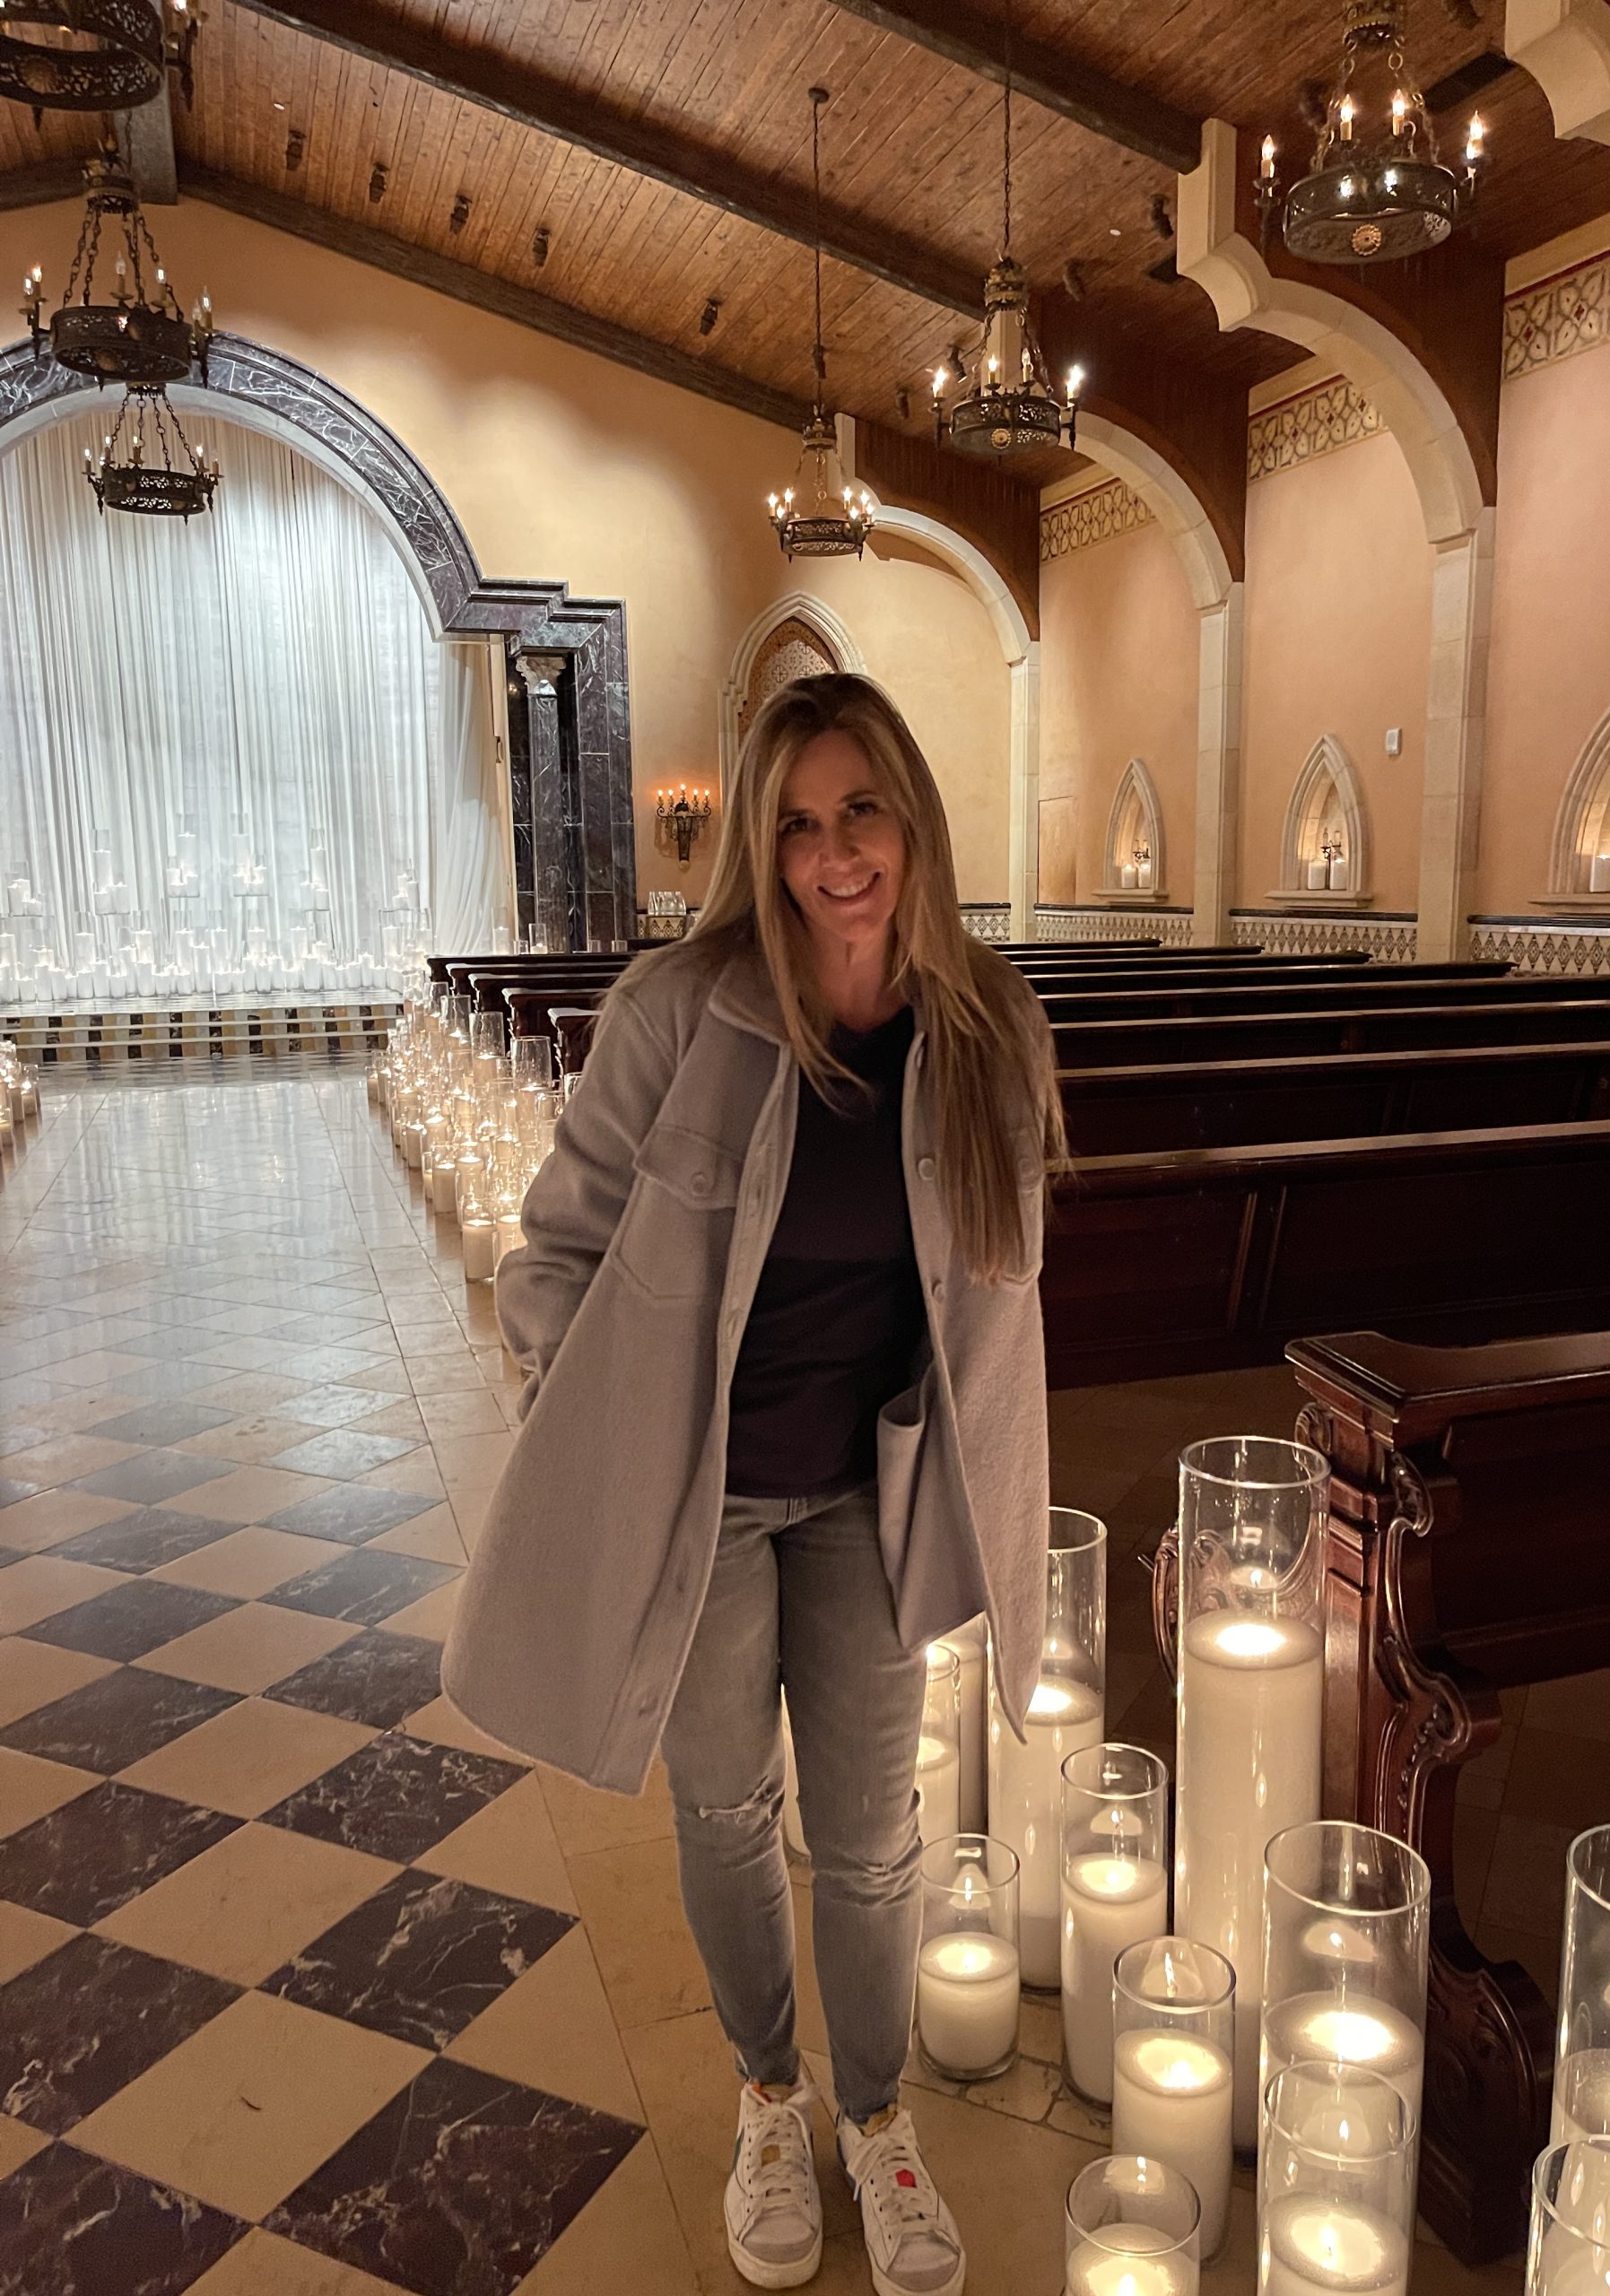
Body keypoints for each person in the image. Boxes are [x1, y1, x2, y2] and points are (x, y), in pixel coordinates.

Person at [442, 673, 1064, 2296]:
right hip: (700, 1496)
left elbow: (1001, 1307)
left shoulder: (992, 1023)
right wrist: (588, 1444)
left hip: (874, 1490)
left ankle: (877, 2116)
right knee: (725, 1813)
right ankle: (771, 2097)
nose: (832, 853)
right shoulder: (680, 1010)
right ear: (762, 847)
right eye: (795, 821)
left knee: (871, 1839)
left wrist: (999, 1522)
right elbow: (554, 1253)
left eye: (861, 809)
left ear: (913, 813)